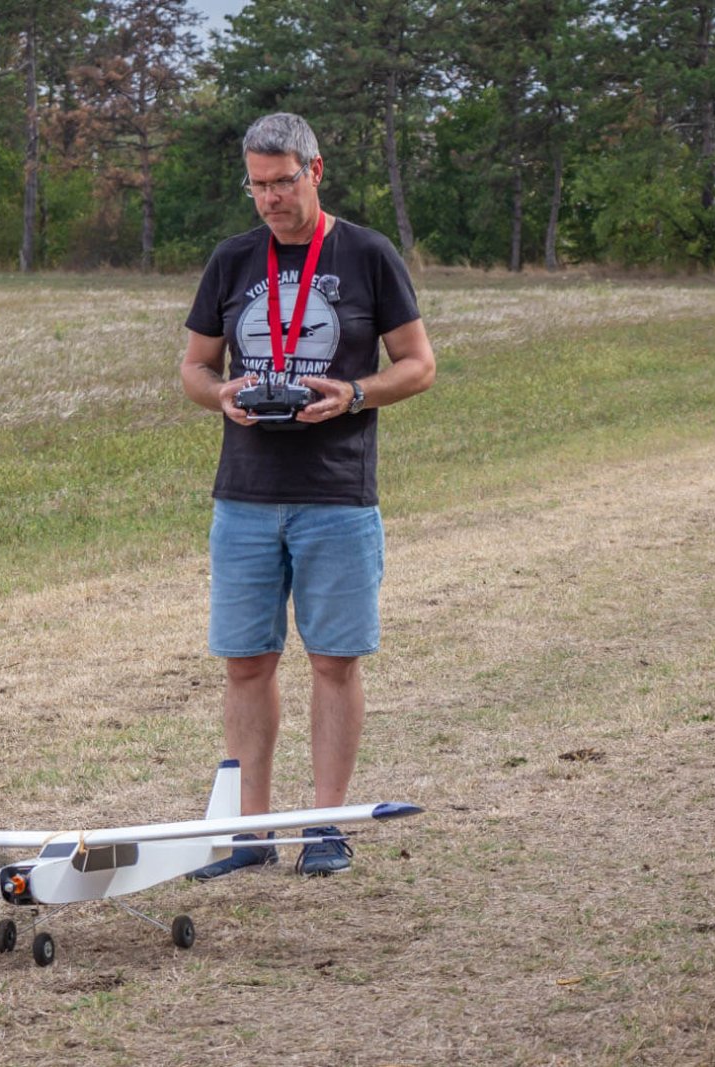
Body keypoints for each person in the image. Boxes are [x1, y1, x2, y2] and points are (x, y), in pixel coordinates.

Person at [178, 112, 436, 878]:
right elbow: (194, 367)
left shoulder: (367, 254)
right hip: (245, 497)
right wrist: (220, 395)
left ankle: (324, 827)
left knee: (333, 663)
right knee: (245, 665)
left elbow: (419, 364)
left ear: (315, 171)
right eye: (257, 185)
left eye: (283, 182)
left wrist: (354, 393)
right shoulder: (233, 260)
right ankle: (250, 834)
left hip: (336, 494)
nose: (269, 199)